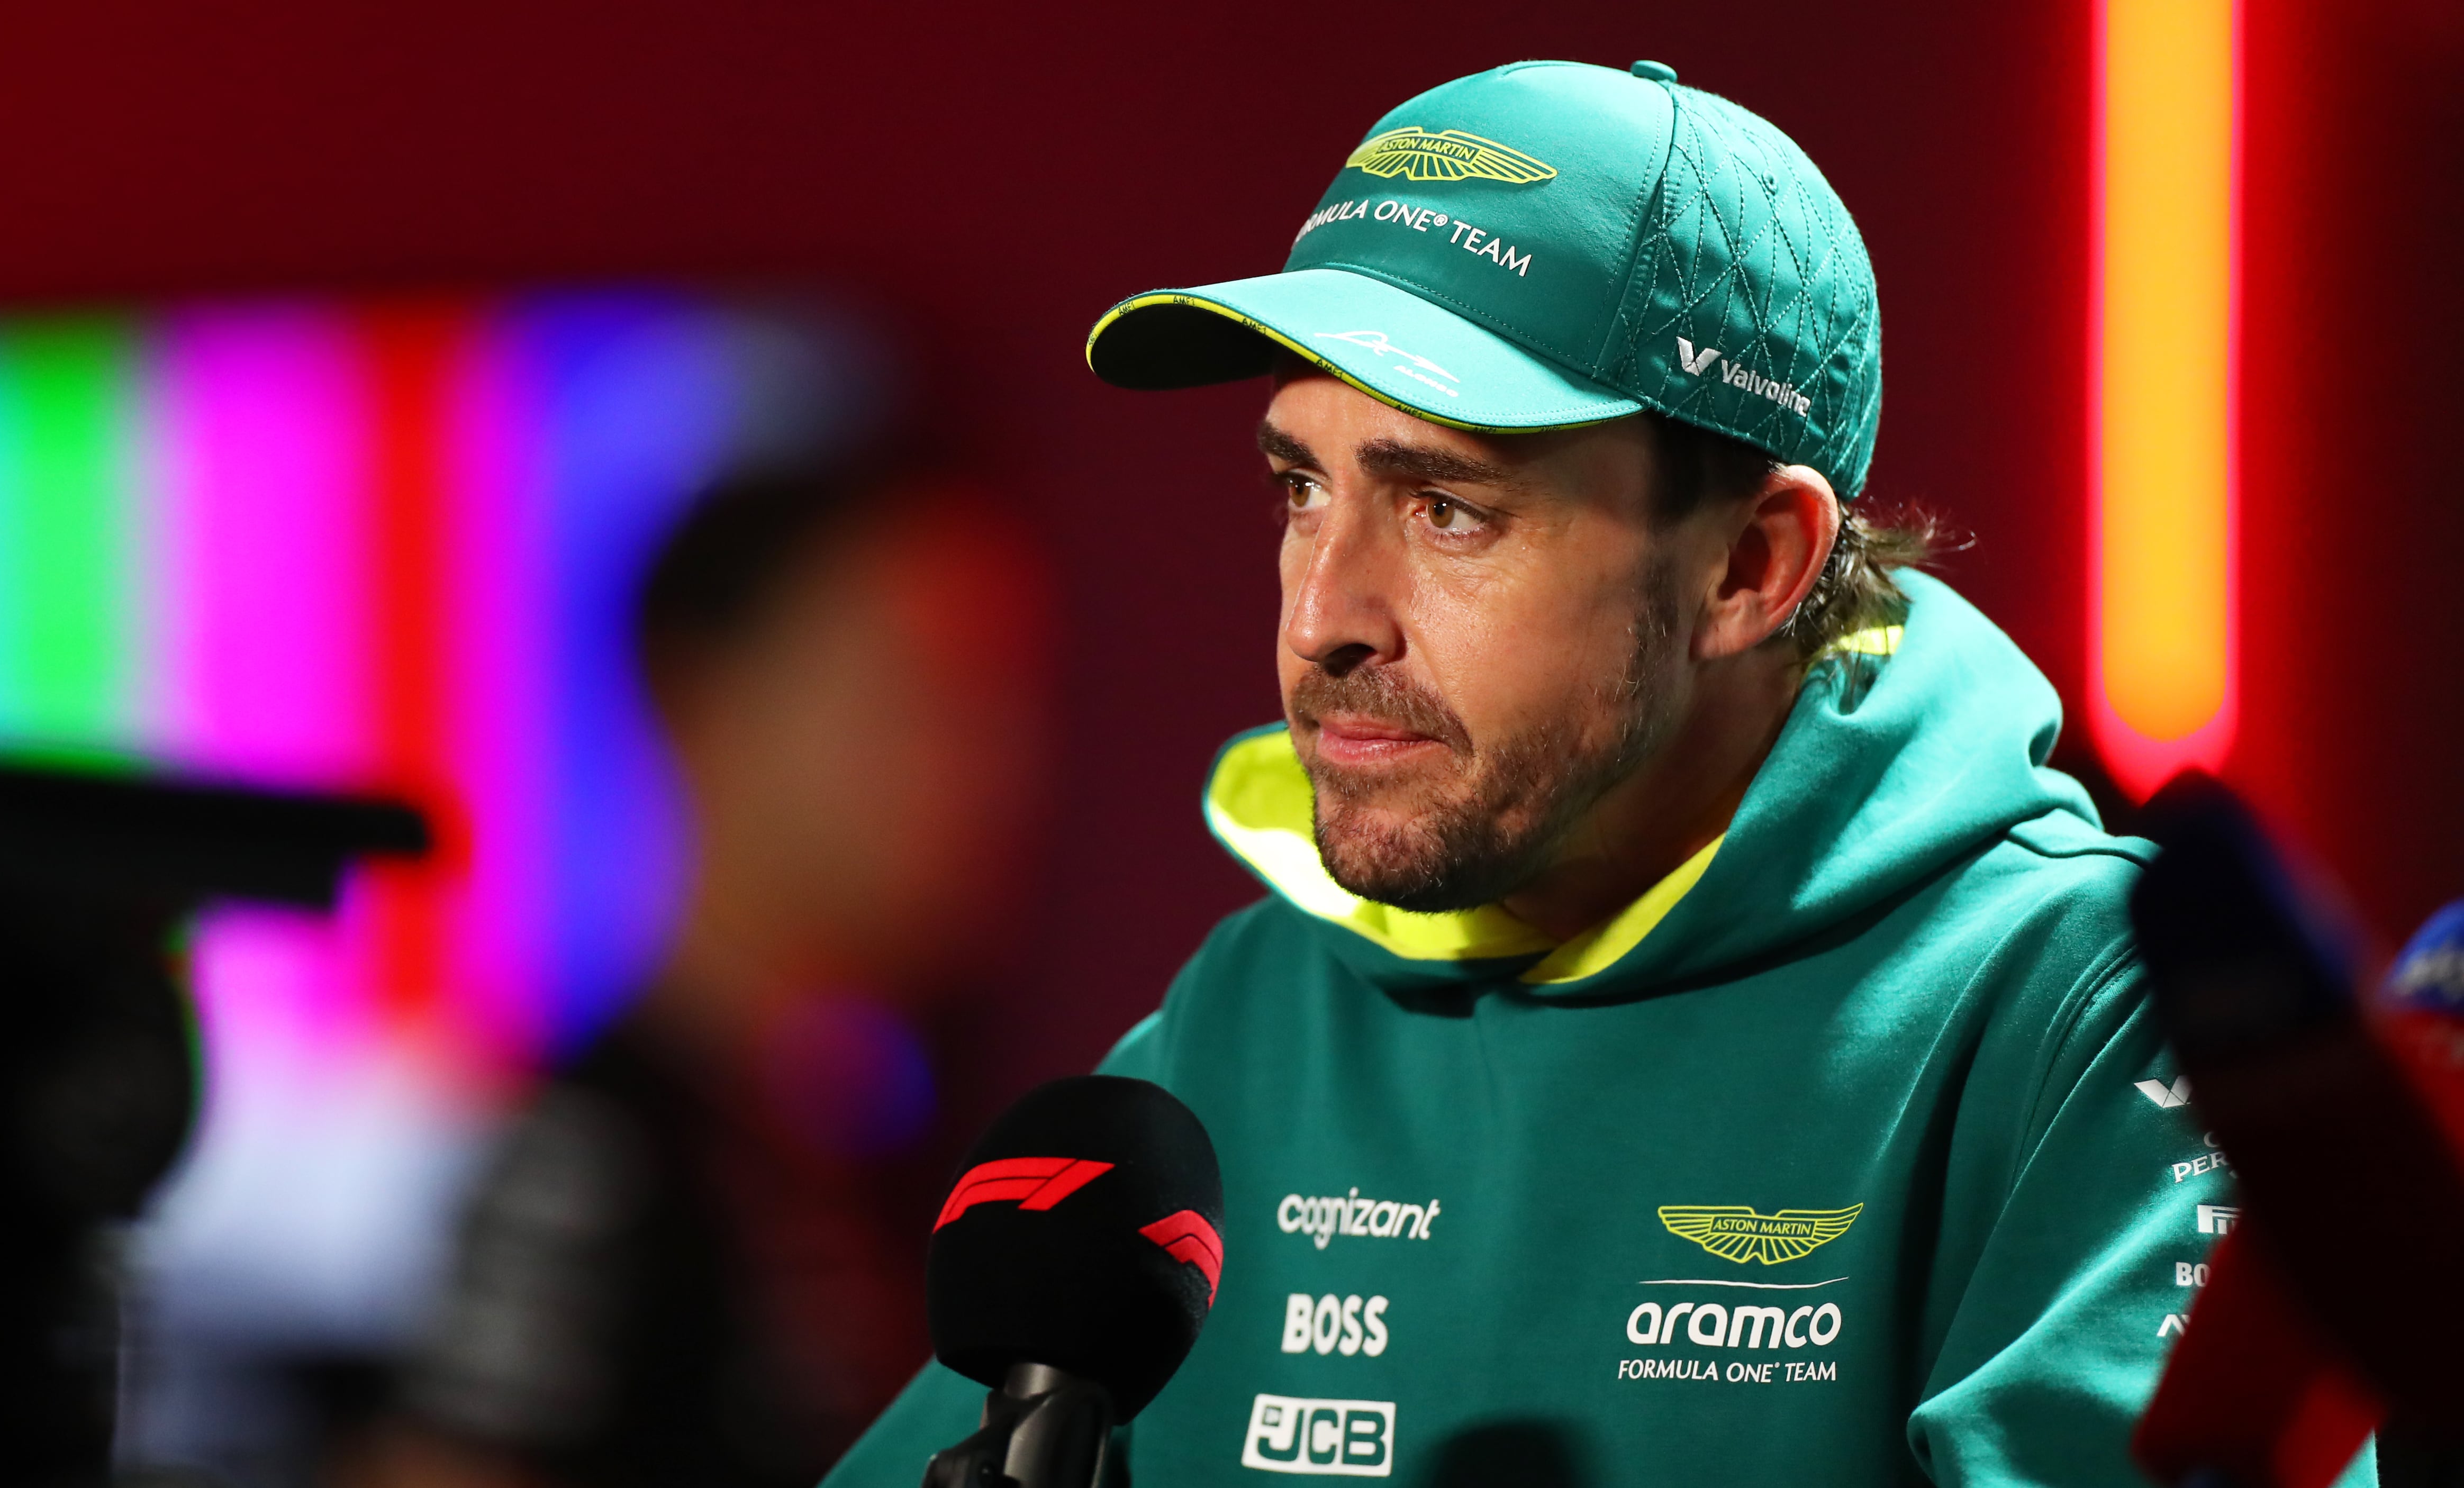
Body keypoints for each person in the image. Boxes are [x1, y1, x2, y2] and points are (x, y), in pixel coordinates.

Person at [823, 60, 2314, 1487]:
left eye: (1450, 507)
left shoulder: (2084, 1016)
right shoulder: (1242, 1025)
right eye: (1301, 487)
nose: (1321, 612)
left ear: (1750, 563)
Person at [352, 465, 1053, 1488]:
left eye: (1003, 704)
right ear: (706, 707)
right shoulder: (588, 1161)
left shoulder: (869, 1151)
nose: (992, 767)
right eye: (915, 695)